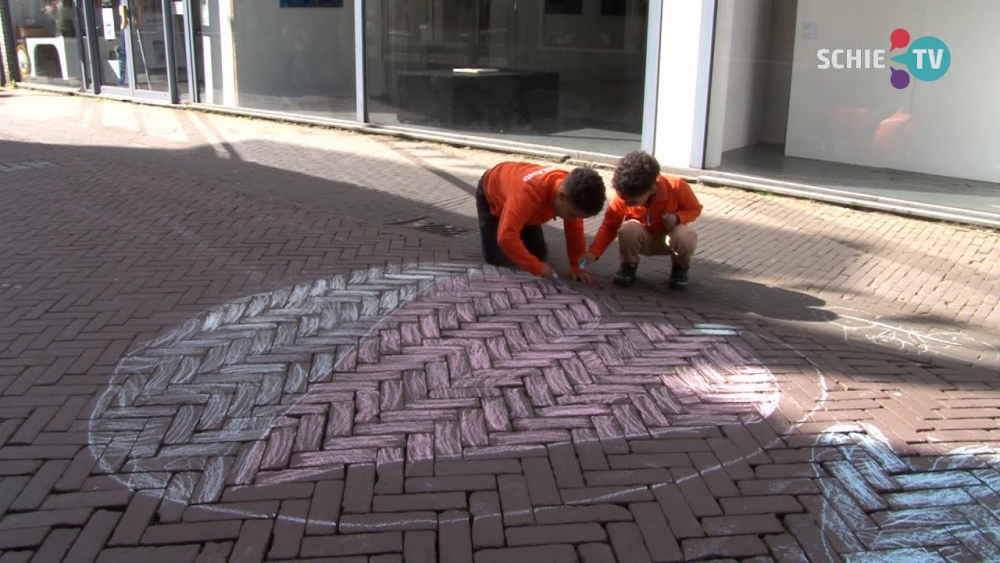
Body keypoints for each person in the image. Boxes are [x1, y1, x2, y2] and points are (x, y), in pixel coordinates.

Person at [580, 150, 702, 290]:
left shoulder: (677, 186)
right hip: (643, 238)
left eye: (632, 201)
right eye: (623, 199)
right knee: (628, 228)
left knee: (685, 235)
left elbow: (695, 209)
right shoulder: (622, 197)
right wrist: (594, 253)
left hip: (670, 239)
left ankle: (680, 269)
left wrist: (678, 217)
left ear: (652, 188)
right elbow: (609, 226)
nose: (626, 203)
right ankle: (628, 266)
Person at [476, 162, 607, 282]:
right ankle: (512, 223)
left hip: (527, 209)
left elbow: (575, 232)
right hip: (492, 194)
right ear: (561, 196)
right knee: (497, 257)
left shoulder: (572, 191)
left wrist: (578, 267)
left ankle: (516, 224)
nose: (573, 220)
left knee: (538, 253)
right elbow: (505, 237)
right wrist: (536, 267)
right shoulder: (527, 194)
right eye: (572, 215)